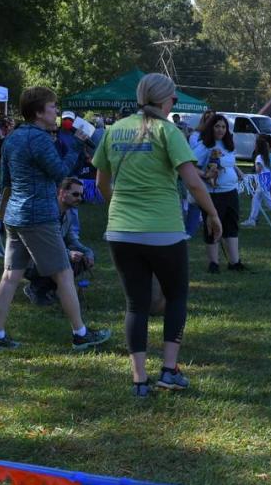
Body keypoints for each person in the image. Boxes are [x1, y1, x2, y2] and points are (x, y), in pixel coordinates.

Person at [94, 73, 222, 397]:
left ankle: (139, 381)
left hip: (121, 231)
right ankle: (168, 370)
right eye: (174, 100)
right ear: (166, 101)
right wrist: (212, 213)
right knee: (176, 296)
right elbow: (193, 182)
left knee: (135, 304)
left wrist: (121, 208)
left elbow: (100, 183)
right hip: (164, 230)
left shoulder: (114, 130)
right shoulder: (168, 131)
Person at [0, 86, 110, 352]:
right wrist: (76, 144)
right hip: (39, 216)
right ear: (39, 112)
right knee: (64, 274)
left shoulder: (12, 138)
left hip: (15, 216)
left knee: (9, 276)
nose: (56, 111)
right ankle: (80, 334)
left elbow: (5, 179)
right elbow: (60, 173)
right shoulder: (39, 139)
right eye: (53, 106)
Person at [22, 177, 96, 306]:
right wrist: (68, 254)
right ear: (61, 193)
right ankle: (36, 288)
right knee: (68, 259)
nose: (79, 198)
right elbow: (45, 246)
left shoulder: (66, 215)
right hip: (30, 261)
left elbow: (72, 240)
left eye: (81, 195)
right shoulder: (47, 213)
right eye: (75, 194)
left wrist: (88, 253)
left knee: (84, 258)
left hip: (50, 256)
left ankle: (49, 289)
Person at [194, 114, 246, 273]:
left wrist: (237, 171)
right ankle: (214, 263)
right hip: (212, 193)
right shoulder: (203, 146)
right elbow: (191, 166)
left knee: (232, 226)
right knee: (212, 227)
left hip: (230, 191)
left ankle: (234, 262)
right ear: (211, 127)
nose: (221, 130)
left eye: (223, 127)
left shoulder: (228, 144)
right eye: (217, 126)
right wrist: (204, 175)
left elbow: (231, 163)